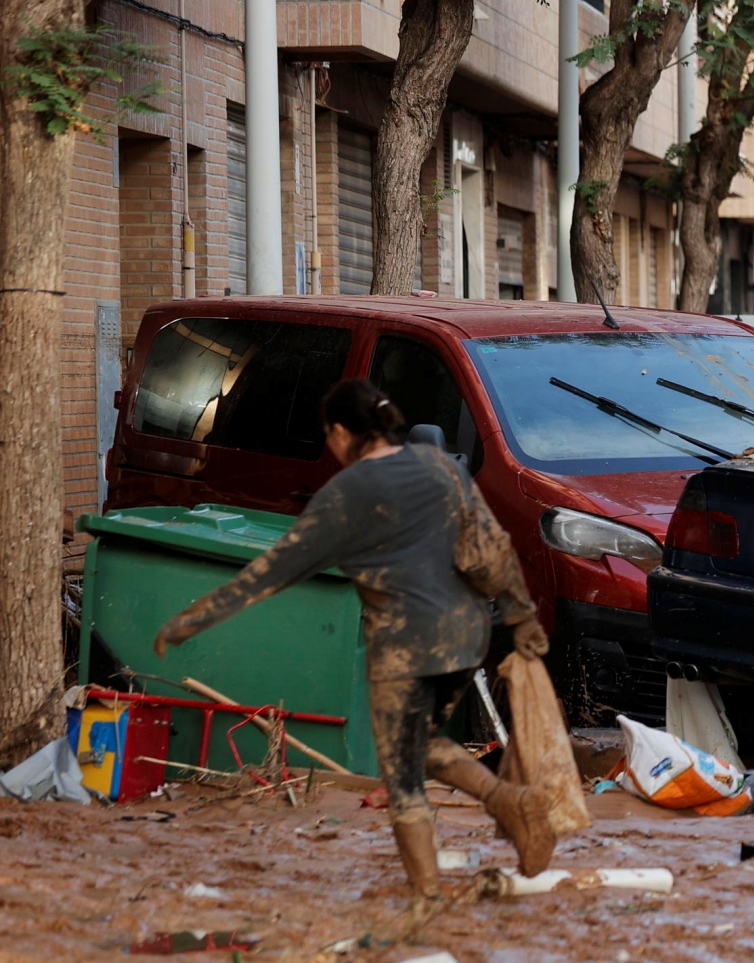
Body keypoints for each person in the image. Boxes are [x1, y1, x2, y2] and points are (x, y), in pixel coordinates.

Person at [154, 379, 557, 902]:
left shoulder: (345, 495)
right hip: (467, 636)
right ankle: (508, 803)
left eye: (330, 436)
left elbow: (271, 571)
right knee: (419, 746)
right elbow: (493, 547)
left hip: (406, 648)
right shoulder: (438, 465)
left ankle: (429, 894)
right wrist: (523, 618)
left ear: (343, 433)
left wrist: (190, 620)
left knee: (402, 777)